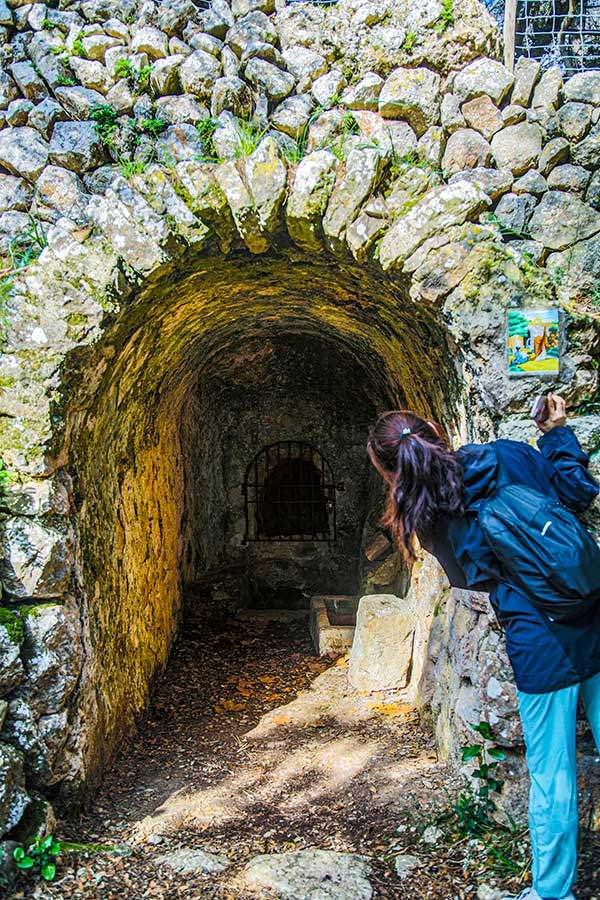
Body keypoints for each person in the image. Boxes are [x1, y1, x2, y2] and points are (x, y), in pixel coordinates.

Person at [366, 394, 600, 900]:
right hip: (593, 611)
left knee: (553, 775)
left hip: (539, 642)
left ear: (389, 472)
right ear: (434, 429)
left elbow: (470, 580)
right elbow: (577, 492)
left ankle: (552, 893)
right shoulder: (507, 454)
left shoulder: (429, 519)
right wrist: (557, 434)